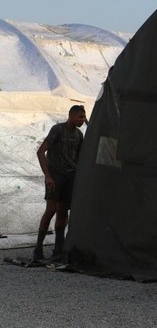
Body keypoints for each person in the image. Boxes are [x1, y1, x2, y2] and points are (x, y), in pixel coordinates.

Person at [33, 105, 87, 262]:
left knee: (63, 213)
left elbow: (80, 157)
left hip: (70, 176)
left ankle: (58, 249)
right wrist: (48, 176)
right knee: (50, 210)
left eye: (83, 117)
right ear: (70, 116)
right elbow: (40, 152)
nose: (82, 120)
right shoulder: (57, 130)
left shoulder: (79, 135)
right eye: (80, 117)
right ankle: (38, 249)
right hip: (55, 175)